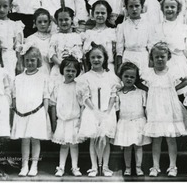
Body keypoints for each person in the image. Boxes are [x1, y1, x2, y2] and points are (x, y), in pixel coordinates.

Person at [142, 42, 187, 177]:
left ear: (168, 57)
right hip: (155, 108)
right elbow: (138, 82)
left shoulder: (172, 71)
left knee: (170, 138)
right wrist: (149, 90)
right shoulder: (149, 73)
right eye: (156, 56)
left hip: (169, 109)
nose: (159, 59)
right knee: (156, 138)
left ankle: (172, 166)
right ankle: (155, 166)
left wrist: (173, 89)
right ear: (152, 58)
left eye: (162, 56)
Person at [77, 43, 120, 177]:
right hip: (92, 111)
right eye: (93, 57)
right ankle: (94, 166)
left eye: (99, 57)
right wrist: (95, 111)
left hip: (107, 111)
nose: (96, 60)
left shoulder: (111, 76)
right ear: (89, 59)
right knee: (94, 138)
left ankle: (105, 166)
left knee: (105, 139)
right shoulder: (86, 77)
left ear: (104, 59)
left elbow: (113, 95)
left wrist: (106, 112)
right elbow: (85, 97)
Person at [11, 47, 52, 177]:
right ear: (23, 61)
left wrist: (44, 115)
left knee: (35, 139)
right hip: (21, 113)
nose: (30, 63)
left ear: (38, 60)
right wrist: (14, 113)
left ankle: (34, 165)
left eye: (33, 60)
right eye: (27, 60)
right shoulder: (18, 78)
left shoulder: (43, 77)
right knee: (25, 139)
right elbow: (14, 97)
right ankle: (24, 166)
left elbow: (46, 96)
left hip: (37, 112)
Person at [113, 62, 151, 176]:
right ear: (121, 77)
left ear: (136, 78)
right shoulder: (118, 94)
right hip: (125, 123)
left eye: (132, 77)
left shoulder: (142, 93)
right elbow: (117, 110)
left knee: (138, 146)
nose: (129, 79)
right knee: (127, 147)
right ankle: (128, 167)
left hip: (139, 122)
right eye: (126, 76)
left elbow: (146, 109)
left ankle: (138, 167)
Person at [49, 56, 83, 177]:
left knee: (74, 145)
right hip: (62, 120)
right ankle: (61, 167)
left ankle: (75, 167)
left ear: (77, 73)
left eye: (73, 71)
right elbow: (52, 104)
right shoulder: (58, 86)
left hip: (74, 120)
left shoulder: (78, 86)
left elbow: (82, 105)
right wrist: (54, 120)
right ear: (62, 70)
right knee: (64, 145)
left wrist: (81, 121)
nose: (70, 73)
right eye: (67, 70)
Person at [154, 0, 187, 82]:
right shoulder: (158, 27)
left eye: (172, 7)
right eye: (166, 7)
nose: (169, 9)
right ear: (162, 9)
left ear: (178, 9)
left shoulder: (183, 28)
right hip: (163, 62)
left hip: (178, 62)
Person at [116, 0, 155, 72]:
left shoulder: (148, 25)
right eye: (131, 6)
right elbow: (119, 47)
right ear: (126, 8)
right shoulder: (122, 26)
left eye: (137, 6)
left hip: (143, 57)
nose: (134, 9)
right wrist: (119, 64)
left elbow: (151, 45)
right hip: (128, 56)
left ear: (142, 7)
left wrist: (151, 62)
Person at [81, 0, 116, 72]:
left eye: (103, 13)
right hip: (91, 70)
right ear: (93, 14)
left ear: (107, 14)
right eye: (97, 13)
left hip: (108, 70)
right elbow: (85, 56)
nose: (100, 15)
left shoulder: (113, 32)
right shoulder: (88, 34)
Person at [48, 7, 83, 79]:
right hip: (59, 69)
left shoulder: (78, 36)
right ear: (57, 21)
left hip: (75, 69)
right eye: (60, 20)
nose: (63, 22)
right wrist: (61, 64)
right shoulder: (55, 37)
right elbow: (52, 54)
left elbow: (80, 54)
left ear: (72, 19)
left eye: (66, 19)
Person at [22, 8, 54, 74]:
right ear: (35, 23)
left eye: (45, 21)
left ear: (49, 22)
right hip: (36, 71)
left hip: (51, 70)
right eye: (39, 22)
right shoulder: (31, 39)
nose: (42, 24)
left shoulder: (53, 38)